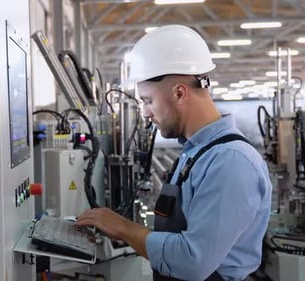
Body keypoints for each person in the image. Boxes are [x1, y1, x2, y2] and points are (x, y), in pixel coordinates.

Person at [75, 25, 272, 281]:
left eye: (148, 100)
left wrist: (123, 228)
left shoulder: (230, 161)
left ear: (179, 92)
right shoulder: (196, 152)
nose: (145, 112)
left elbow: (193, 261)